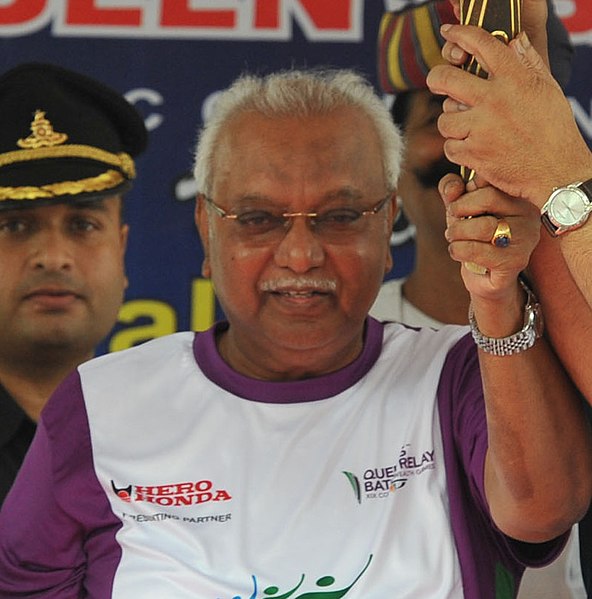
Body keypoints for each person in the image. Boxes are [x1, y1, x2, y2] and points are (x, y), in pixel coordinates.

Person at [0, 67, 590, 599]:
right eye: (258, 219)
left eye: (339, 217)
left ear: (388, 226)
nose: (302, 255)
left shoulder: (457, 374)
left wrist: (493, 298)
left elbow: (542, 513)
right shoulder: (100, 405)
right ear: (208, 229)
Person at [374, 3, 586, 597]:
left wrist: (558, 187)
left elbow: (539, 510)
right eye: (441, 115)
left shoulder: (577, 307)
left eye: (498, 114)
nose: (466, 143)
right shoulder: (346, 329)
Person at [0, 62, 147, 506]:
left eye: (82, 225)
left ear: (120, 251)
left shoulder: (174, 444)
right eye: (15, 226)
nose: (54, 258)